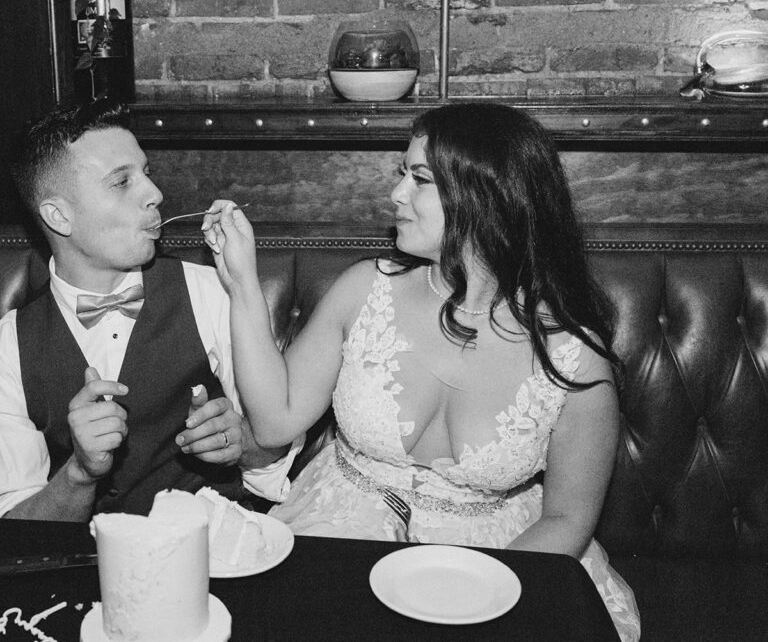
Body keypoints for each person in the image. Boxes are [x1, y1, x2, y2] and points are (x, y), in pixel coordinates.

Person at [202, 102, 641, 640]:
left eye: (419, 179)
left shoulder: (574, 353)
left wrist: (477, 593)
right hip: (340, 530)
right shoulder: (365, 288)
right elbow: (273, 425)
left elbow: (568, 520)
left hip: (506, 558)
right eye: (401, 174)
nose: (396, 194)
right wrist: (243, 283)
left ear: (483, 197)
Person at [0, 102, 297, 522]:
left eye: (146, 173)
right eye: (122, 181)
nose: (154, 195)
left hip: (214, 552)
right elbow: (8, 533)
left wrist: (241, 442)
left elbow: (277, 445)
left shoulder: (212, 291)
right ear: (58, 215)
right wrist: (80, 474)